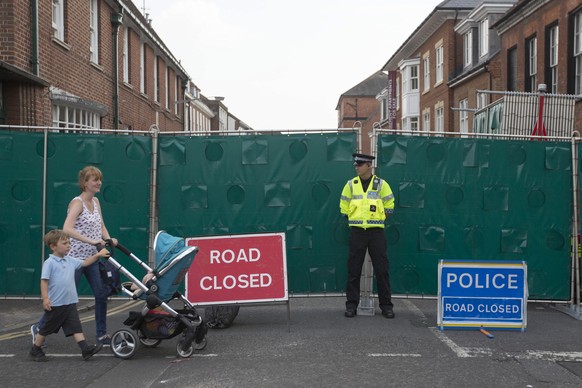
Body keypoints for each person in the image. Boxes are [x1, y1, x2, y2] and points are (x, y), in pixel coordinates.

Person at [31, 166, 118, 347]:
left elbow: (101, 226)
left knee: (101, 294)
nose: (99, 182)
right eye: (95, 180)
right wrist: (92, 241)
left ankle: (101, 335)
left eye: (100, 179)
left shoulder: (96, 202)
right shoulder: (77, 203)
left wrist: (108, 240)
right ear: (85, 183)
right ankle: (39, 328)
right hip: (73, 260)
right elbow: (67, 229)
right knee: (62, 298)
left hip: (92, 258)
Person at [28, 230, 110, 362]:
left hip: (70, 302)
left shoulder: (70, 260)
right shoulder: (50, 263)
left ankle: (85, 349)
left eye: (69, 243)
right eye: (65, 243)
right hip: (56, 304)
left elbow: (85, 262)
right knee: (45, 329)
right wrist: (45, 299)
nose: (68, 245)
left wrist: (98, 255)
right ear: (53, 246)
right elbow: (44, 281)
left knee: (75, 326)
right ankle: (35, 349)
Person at [339, 153, 395, 319]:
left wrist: (381, 218)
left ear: (369, 166)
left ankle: (386, 306)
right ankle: (351, 305)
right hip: (357, 232)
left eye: (360, 164)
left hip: (376, 232)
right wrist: (350, 217)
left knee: (382, 269)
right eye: (356, 164)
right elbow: (343, 205)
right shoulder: (350, 184)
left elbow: (390, 205)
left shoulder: (381, 184)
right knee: (354, 269)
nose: (356, 167)